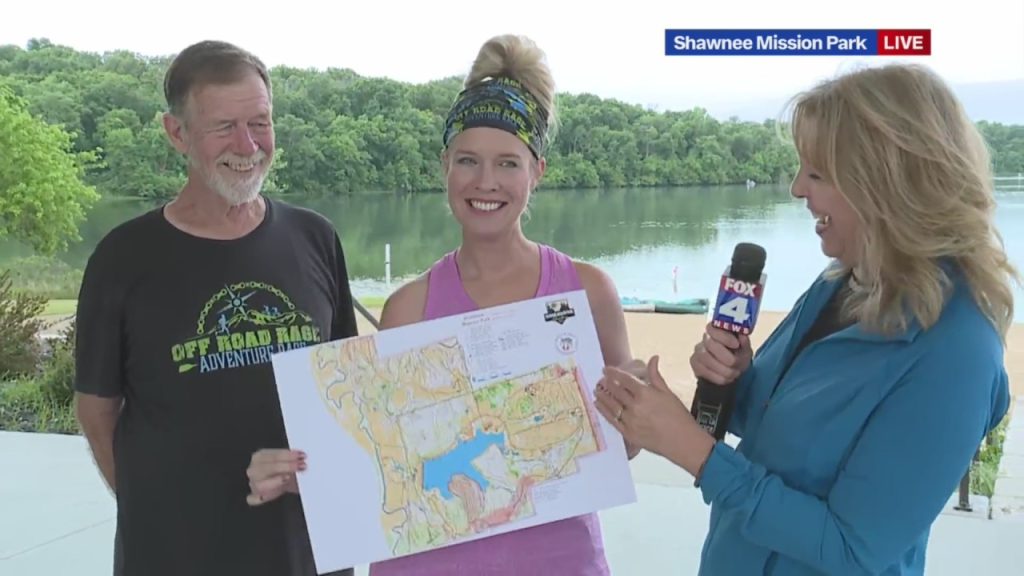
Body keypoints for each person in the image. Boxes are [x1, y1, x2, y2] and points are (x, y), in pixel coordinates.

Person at [594, 62, 1016, 575]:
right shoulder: (840, 282)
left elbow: (853, 551)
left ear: (885, 182)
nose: (796, 188)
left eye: (816, 173)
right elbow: (780, 429)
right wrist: (735, 382)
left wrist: (694, 452)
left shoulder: (957, 354)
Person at [246, 34, 641, 575]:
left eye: (507, 163)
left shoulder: (588, 291)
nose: (486, 182)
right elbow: (389, 459)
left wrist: (637, 409)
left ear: (537, 172)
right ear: (444, 167)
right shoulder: (408, 307)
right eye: (468, 161)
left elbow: (622, 451)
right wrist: (302, 474)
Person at [73, 40, 358, 576]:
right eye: (224, 126)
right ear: (176, 132)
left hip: (309, 553)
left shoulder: (315, 239)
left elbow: (345, 392)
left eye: (261, 122)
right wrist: (154, 516)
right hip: (175, 556)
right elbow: (96, 411)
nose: (248, 144)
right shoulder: (124, 258)